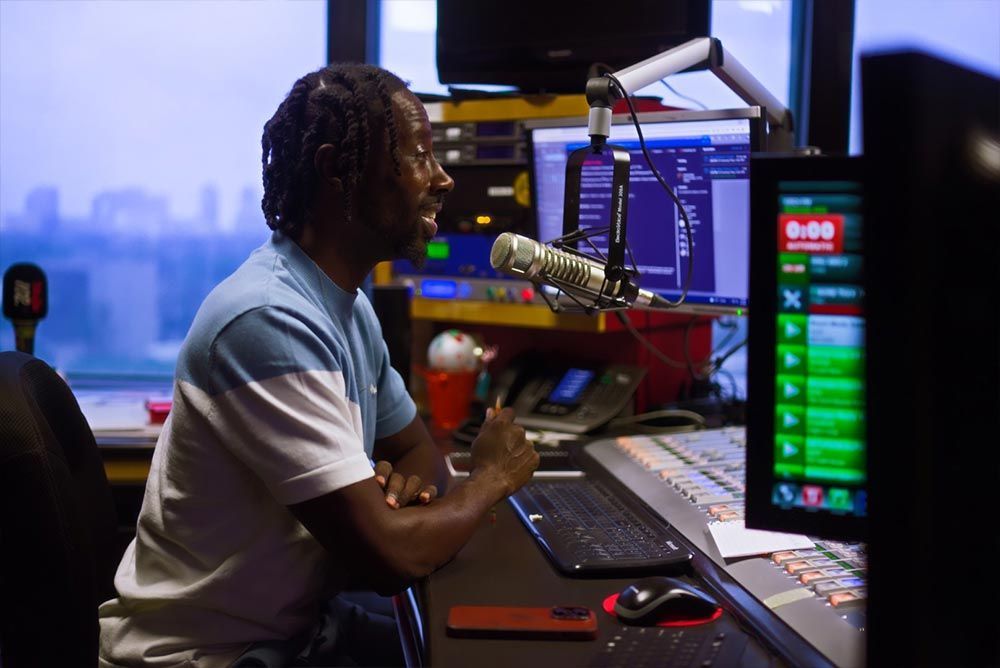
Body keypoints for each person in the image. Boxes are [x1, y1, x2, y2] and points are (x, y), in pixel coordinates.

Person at [98, 63, 539, 667]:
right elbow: (389, 558)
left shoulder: (347, 310)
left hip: (298, 632)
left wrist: (405, 503)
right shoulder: (265, 318)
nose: (442, 179)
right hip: (205, 657)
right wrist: (491, 477)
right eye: (417, 155)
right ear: (337, 170)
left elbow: (422, 460)